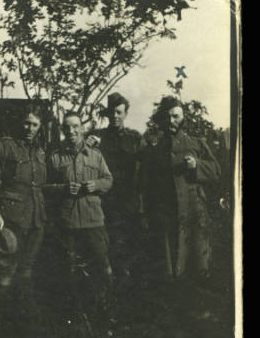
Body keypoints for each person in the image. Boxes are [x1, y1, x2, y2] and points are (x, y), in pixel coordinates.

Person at [0, 104, 47, 338]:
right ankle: (1, 334)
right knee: (5, 276)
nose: (30, 128)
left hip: (36, 222)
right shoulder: (5, 146)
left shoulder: (40, 151)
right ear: (20, 123)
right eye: (26, 123)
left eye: (34, 125)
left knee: (26, 275)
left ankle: (22, 334)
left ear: (40, 127)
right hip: (10, 220)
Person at [139, 96, 221, 282]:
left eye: (176, 116)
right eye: (168, 117)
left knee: (198, 265)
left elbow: (216, 171)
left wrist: (196, 165)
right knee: (169, 267)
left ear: (183, 117)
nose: (172, 121)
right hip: (165, 215)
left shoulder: (196, 143)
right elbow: (146, 184)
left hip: (193, 213)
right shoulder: (154, 149)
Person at [47, 111, 113, 327]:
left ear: (82, 128)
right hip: (68, 224)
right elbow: (43, 188)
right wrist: (63, 188)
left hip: (94, 222)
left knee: (102, 269)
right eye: (67, 127)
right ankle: (74, 319)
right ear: (63, 131)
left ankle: (101, 314)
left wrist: (97, 185)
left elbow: (108, 179)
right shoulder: (55, 157)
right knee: (69, 272)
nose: (71, 131)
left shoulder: (95, 155)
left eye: (75, 126)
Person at [86, 92, 145, 279]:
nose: (115, 116)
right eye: (112, 112)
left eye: (119, 112)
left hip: (129, 201)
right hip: (105, 201)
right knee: (106, 243)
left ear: (126, 114)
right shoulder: (97, 137)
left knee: (129, 244)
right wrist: (87, 146)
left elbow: (147, 165)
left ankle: (126, 284)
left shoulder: (135, 138)